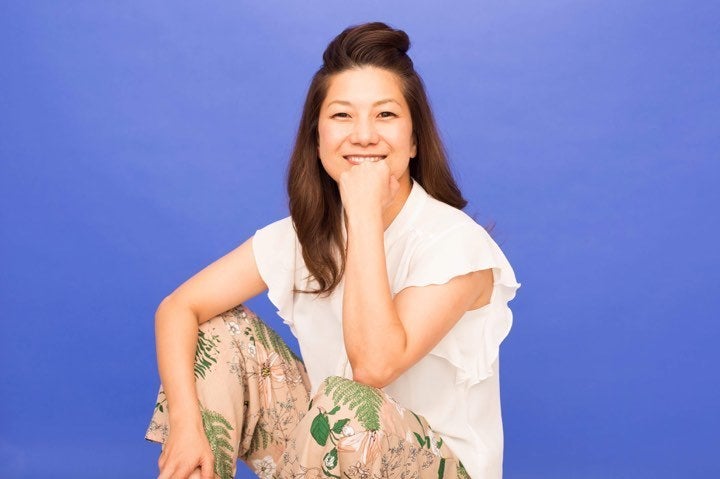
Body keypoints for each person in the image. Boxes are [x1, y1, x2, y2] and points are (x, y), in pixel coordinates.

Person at [145, 21, 521, 479]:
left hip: (434, 467)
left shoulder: (456, 243)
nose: (363, 135)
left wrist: (363, 214)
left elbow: (373, 368)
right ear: (317, 137)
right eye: (342, 116)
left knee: (346, 401)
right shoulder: (306, 234)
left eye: (385, 115)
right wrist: (187, 427)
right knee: (218, 330)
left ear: (414, 140)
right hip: (330, 459)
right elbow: (178, 307)